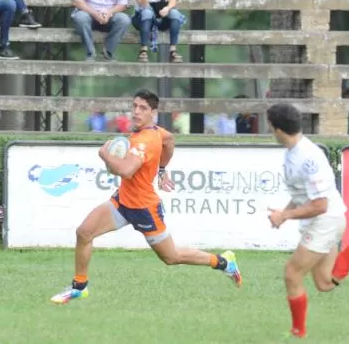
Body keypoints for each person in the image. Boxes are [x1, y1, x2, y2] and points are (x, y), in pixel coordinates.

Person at [50, 89, 242, 304]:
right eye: (134, 106)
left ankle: (224, 262)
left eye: (142, 108)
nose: (136, 112)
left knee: (171, 257)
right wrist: (161, 169)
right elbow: (169, 141)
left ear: (153, 112)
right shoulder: (158, 132)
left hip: (144, 209)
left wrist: (104, 155)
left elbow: (126, 171)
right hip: (123, 201)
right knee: (84, 232)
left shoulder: (146, 141)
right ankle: (79, 286)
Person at [265, 103, 349, 338]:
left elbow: (319, 205)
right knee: (325, 283)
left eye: (269, 126)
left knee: (292, 273)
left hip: (325, 220)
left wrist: (284, 215)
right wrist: (284, 213)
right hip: (328, 218)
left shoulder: (308, 158)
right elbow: (301, 195)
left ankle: (298, 333)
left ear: (277, 130)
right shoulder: (294, 152)